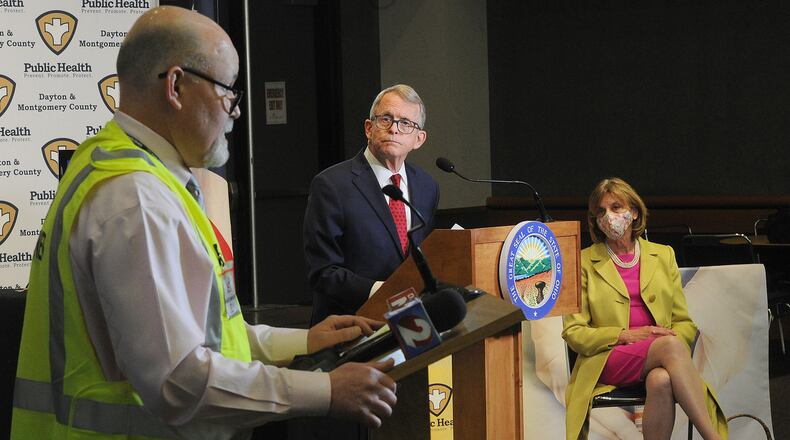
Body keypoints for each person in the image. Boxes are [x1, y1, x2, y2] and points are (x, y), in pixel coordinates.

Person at [11, 7, 396, 439]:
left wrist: (304, 343)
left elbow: (205, 335)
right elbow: (179, 381)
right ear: (176, 86)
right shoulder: (137, 198)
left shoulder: (111, 164)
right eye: (227, 91)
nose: (234, 112)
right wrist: (323, 390)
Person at [562, 178, 728, 440]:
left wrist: (668, 340)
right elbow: (574, 332)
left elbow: (683, 322)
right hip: (608, 357)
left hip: (658, 356)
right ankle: (713, 437)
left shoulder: (663, 255)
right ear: (595, 220)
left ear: (634, 211)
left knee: (661, 380)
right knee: (670, 347)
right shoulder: (582, 261)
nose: (609, 217)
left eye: (616, 207)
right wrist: (623, 335)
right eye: (601, 212)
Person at [303, 84, 440, 325]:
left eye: (405, 123)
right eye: (386, 119)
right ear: (369, 128)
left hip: (413, 326)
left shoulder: (427, 187)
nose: (394, 129)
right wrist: (384, 291)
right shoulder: (331, 185)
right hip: (351, 326)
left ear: (419, 139)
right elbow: (323, 272)